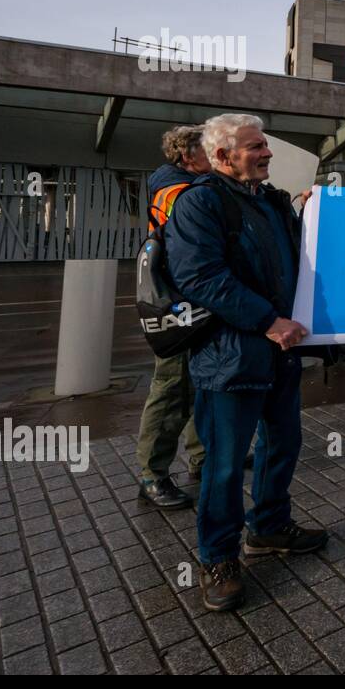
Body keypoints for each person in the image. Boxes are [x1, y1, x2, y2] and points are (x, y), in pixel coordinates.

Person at [166, 113, 327, 611]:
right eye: (255, 147)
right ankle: (218, 557)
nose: (268, 153)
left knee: (284, 444)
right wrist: (268, 321)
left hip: (279, 355)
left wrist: (317, 217)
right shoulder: (200, 204)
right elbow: (201, 278)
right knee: (224, 465)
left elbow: (298, 260)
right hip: (229, 360)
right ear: (221, 157)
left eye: (265, 144)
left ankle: (270, 528)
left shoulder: (272, 201)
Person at [135, 126, 211, 509]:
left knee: (199, 381)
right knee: (172, 387)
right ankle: (152, 475)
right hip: (178, 305)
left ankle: (201, 458)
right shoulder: (175, 190)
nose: (215, 153)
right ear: (187, 156)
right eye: (207, 148)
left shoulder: (196, 182)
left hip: (196, 301)